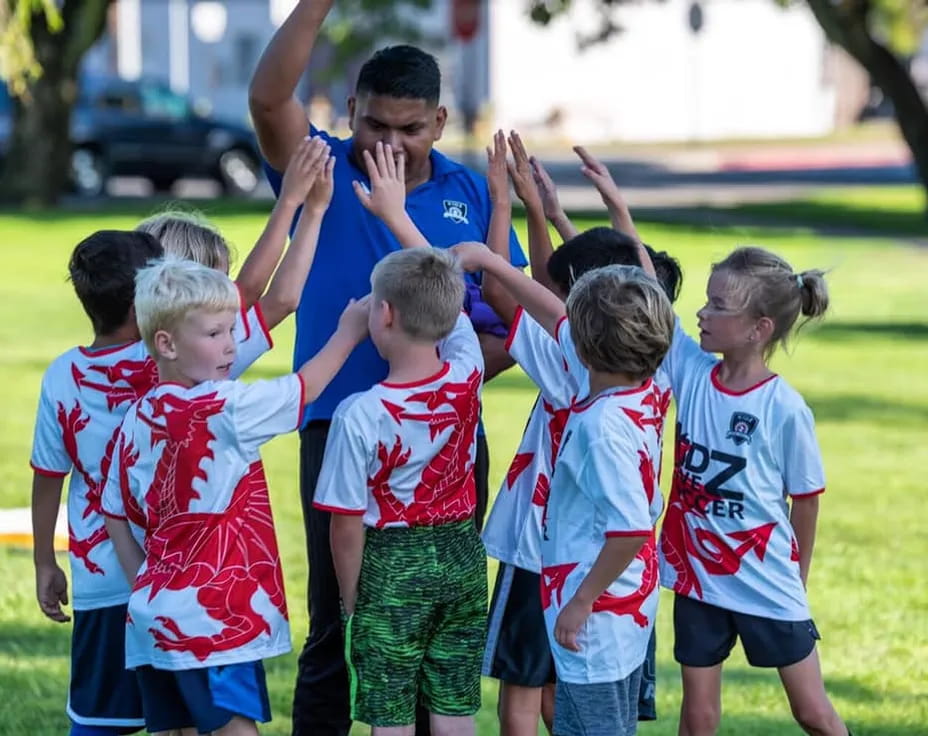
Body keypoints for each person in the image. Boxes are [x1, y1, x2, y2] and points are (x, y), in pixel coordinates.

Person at [249, 7, 526, 732]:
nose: (392, 144)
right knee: (337, 621)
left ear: (438, 121)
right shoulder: (322, 168)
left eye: (410, 129)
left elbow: (508, 323)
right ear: (350, 114)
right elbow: (268, 101)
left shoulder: (467, 192)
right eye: (375, 126)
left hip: (444, 444)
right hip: (336, 430)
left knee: (439, 618)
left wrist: (441, 389)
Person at [100, 256, 369, 736]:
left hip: (152, 619)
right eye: (214, 334)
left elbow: (115, 510)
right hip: (216, 625)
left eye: (230, 332)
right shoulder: (224, 407)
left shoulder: (136, 417)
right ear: (166, 344)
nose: (229, 347)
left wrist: (145, 584)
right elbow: (304, 389)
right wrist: (349, 330)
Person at [476, 133, 681, 734]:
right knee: (568, 702)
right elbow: (610, 294)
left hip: (549, 553)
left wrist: (502, 206)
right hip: (619, 585)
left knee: (528, 692)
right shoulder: (655, 371)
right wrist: (563, 213)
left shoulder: (574, 379)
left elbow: (508, 289)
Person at [657, 246, 851, 736]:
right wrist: (614, 203)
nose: (702, 312)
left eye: (719, 306)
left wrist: (798, 579)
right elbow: (651, 292)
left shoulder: (784, 408)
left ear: (758, 328)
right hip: (697, 578)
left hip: (765, 580)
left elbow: (806, 500)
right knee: (697, 719)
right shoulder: (693, 372)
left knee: (812, 713)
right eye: (706, 301)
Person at [314, 245, 485, 736]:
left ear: (383, 313)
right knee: (454, 707)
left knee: (390, 715)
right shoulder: (467, 371)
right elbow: (457, 325)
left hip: (391, 565)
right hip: (463, 555)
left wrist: (352, 601)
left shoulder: (359, 415)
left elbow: (345, 523)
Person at [30, 230, 163, 736]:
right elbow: (271, 299)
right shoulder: (176, 358)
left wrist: (46, 560)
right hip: (180, 578)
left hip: (99, 579)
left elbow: (48, 477)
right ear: (145, 300)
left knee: (97, 721)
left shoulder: (62, 374)